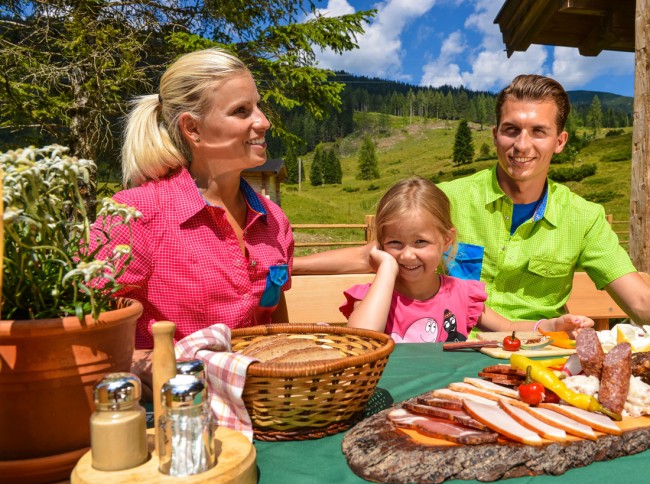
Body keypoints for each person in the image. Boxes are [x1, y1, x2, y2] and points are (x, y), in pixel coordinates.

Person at [294, 74, 650, 326]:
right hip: (452, 352)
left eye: (538, 132)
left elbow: (639, 301)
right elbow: (375, 254)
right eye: (511, 130)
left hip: (538, 352)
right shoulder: (449, 199)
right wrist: (283, 266)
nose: (521, 145)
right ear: (496, 135)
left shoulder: (584, 217)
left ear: (560, 141)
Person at [92, 48, 293, 394]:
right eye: (241, 111)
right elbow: (90, 329)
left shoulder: (273, 220)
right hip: (171, 411)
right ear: (193, 128)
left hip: (266, 406)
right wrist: (179, 371)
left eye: (257, 106)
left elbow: (276, 319)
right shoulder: (136, 215)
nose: (263, 121)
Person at [340, 177, 594, 342]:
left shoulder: (461, 294)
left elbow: (507, 326)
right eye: (395, 243)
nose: (407, 254)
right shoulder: (374, 298)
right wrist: (385, 267)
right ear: (382, 244)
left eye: (421, 242)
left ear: (446, 241)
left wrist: (551, 325)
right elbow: (361, 339)